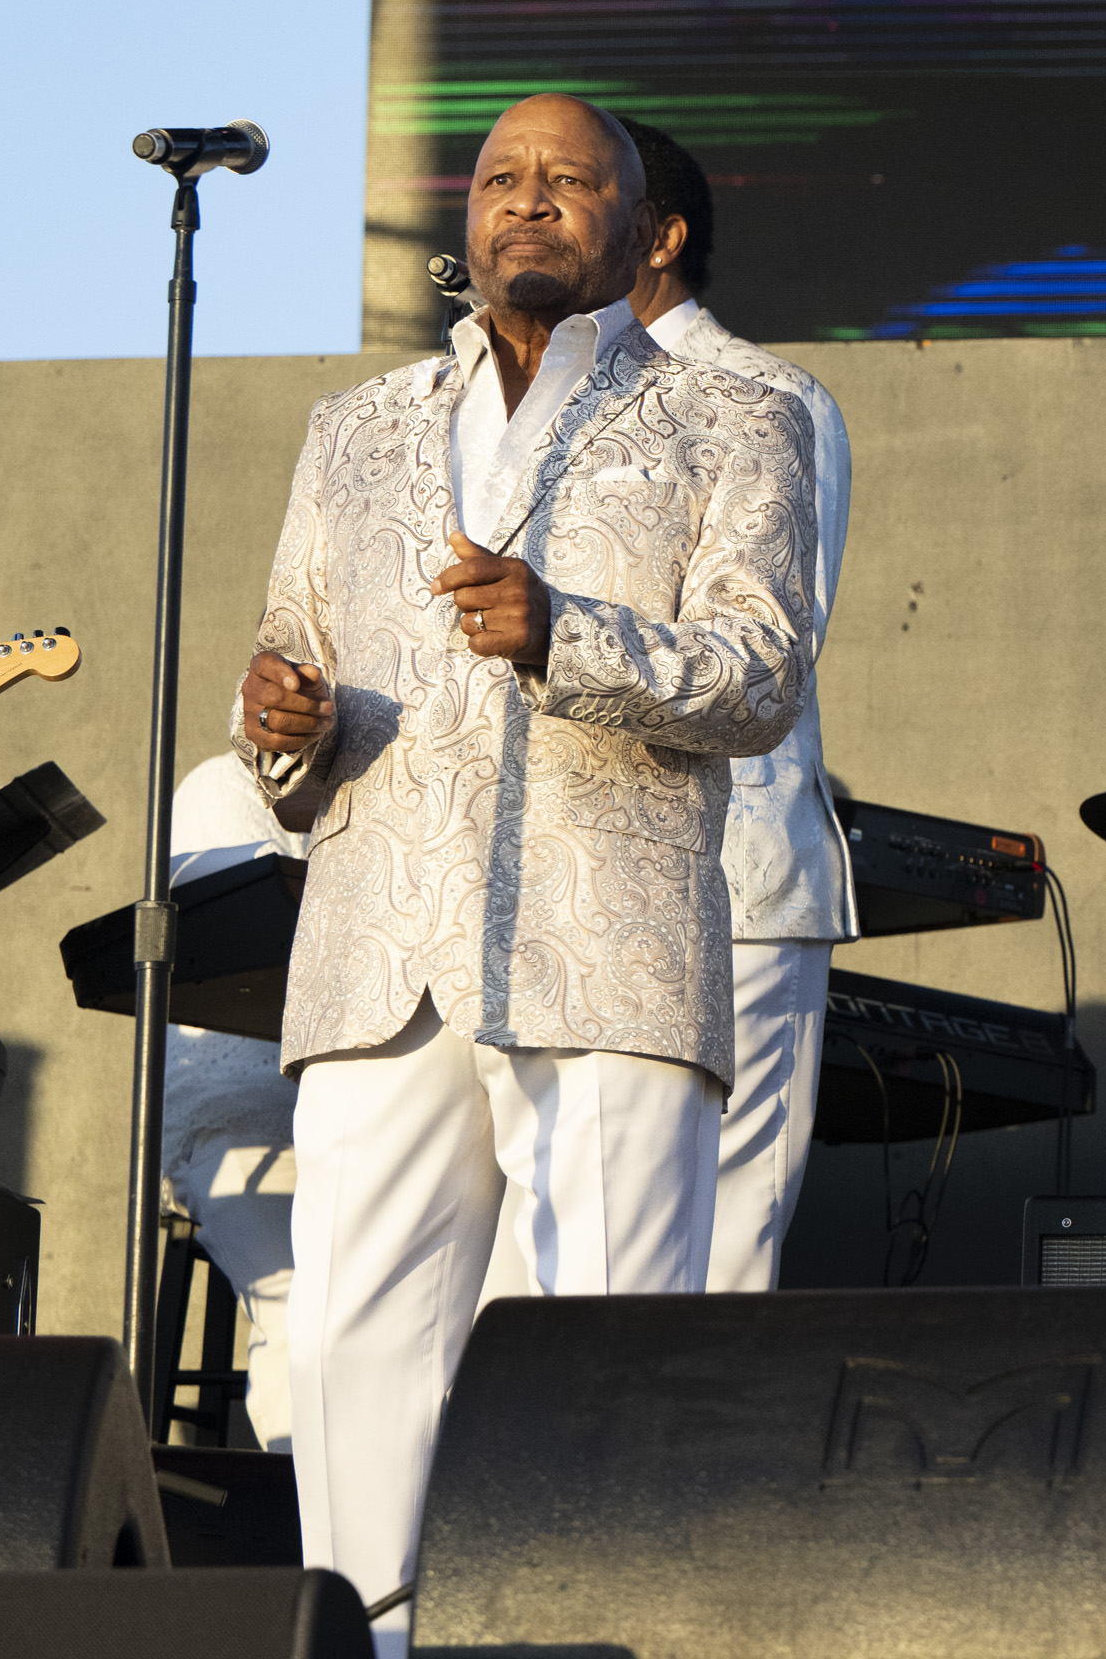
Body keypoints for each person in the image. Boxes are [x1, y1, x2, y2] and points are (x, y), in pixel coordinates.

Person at [233, 92, 817, 1648]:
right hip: (379, 948)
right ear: (466, 220)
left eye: (570, 180)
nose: (529, 201)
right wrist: (283, 728)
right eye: (501, 178)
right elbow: (302, 665)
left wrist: (566, 632)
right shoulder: (352, 429)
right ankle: (374, 1637)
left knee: (601, 1336)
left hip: (605, 941)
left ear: (642, 230)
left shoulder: (735, 416)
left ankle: (593, 1632)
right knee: (355, 1342)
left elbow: (758, 679)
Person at [619, 116, 858, 1294]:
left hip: (738, 881)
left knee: (716, 1268)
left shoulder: (769, 400)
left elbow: (761, 654)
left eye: (576, 196)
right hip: (580, 893)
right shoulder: (531, 407)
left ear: (658, 238)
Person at [158, 755, 305, 1453]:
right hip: (246, 1117)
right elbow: (232, 959)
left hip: (379, 1103)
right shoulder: (222, 788)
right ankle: (300, 1536)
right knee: (309, 1306)